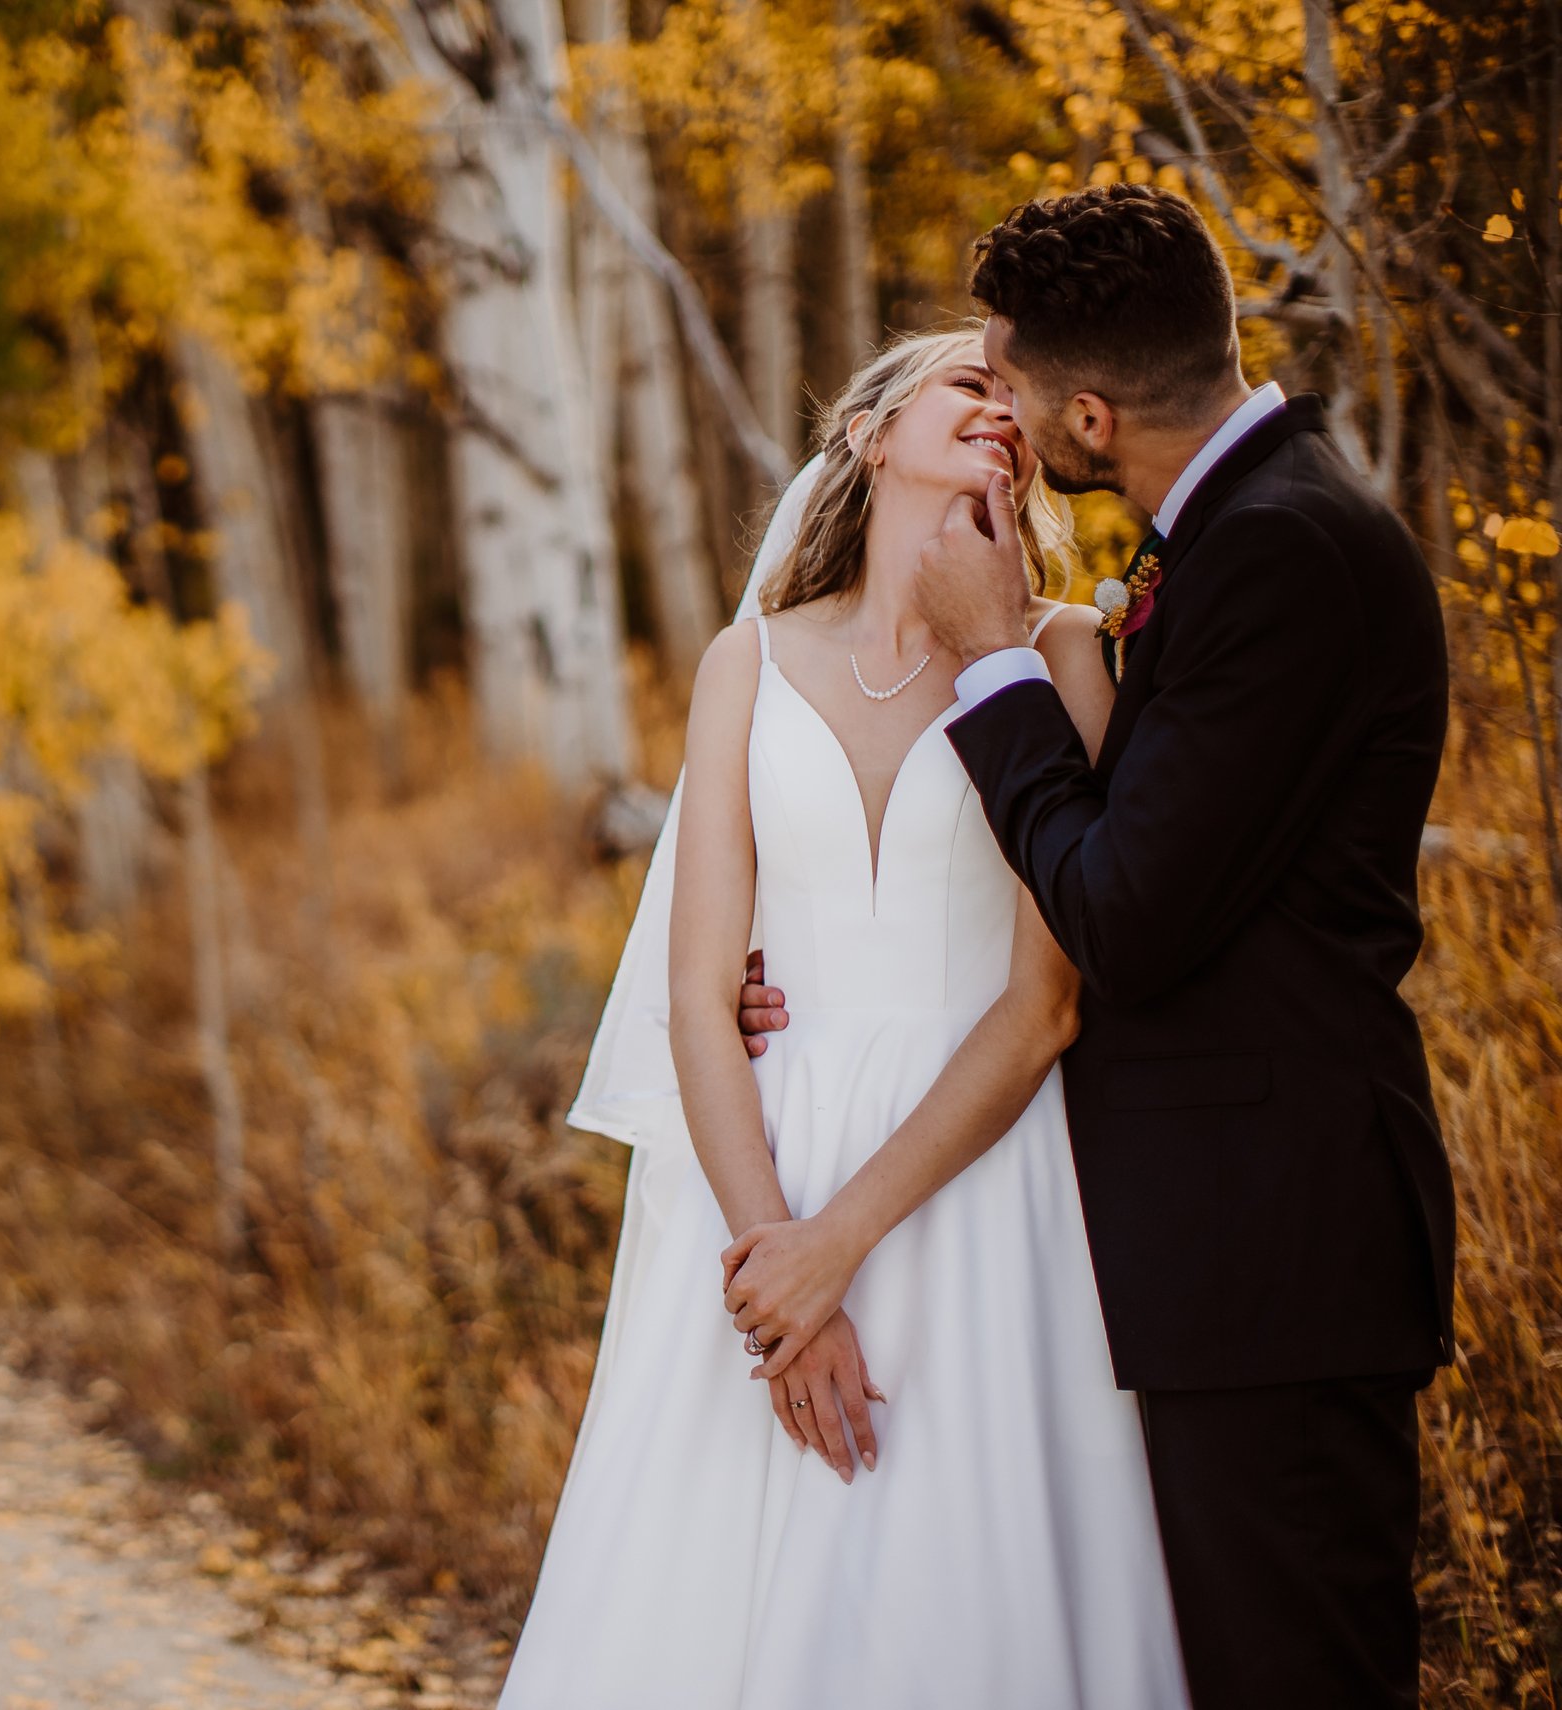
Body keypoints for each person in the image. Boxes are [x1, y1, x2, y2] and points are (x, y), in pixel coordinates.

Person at [498, 324, 1190, 1709]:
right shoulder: (744, 667)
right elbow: (701, 1000)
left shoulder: (1065, 658)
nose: (1001, 409)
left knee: (954, 1587)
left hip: (986, 1178)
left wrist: (839, 1247)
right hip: (764, 1166)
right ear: (873, 436)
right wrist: (781, 1282)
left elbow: (1045, 1003)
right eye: (967, 384)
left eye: (1016, 397)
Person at [874, 182, 1447, 1710]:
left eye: (1008, 384)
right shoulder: (1245, 528)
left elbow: (1125, 912)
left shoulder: (1286, 552)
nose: (997, 415)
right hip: (1220, 1251)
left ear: (1085, 413)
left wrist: (998, 656)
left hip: (1278, 1245)